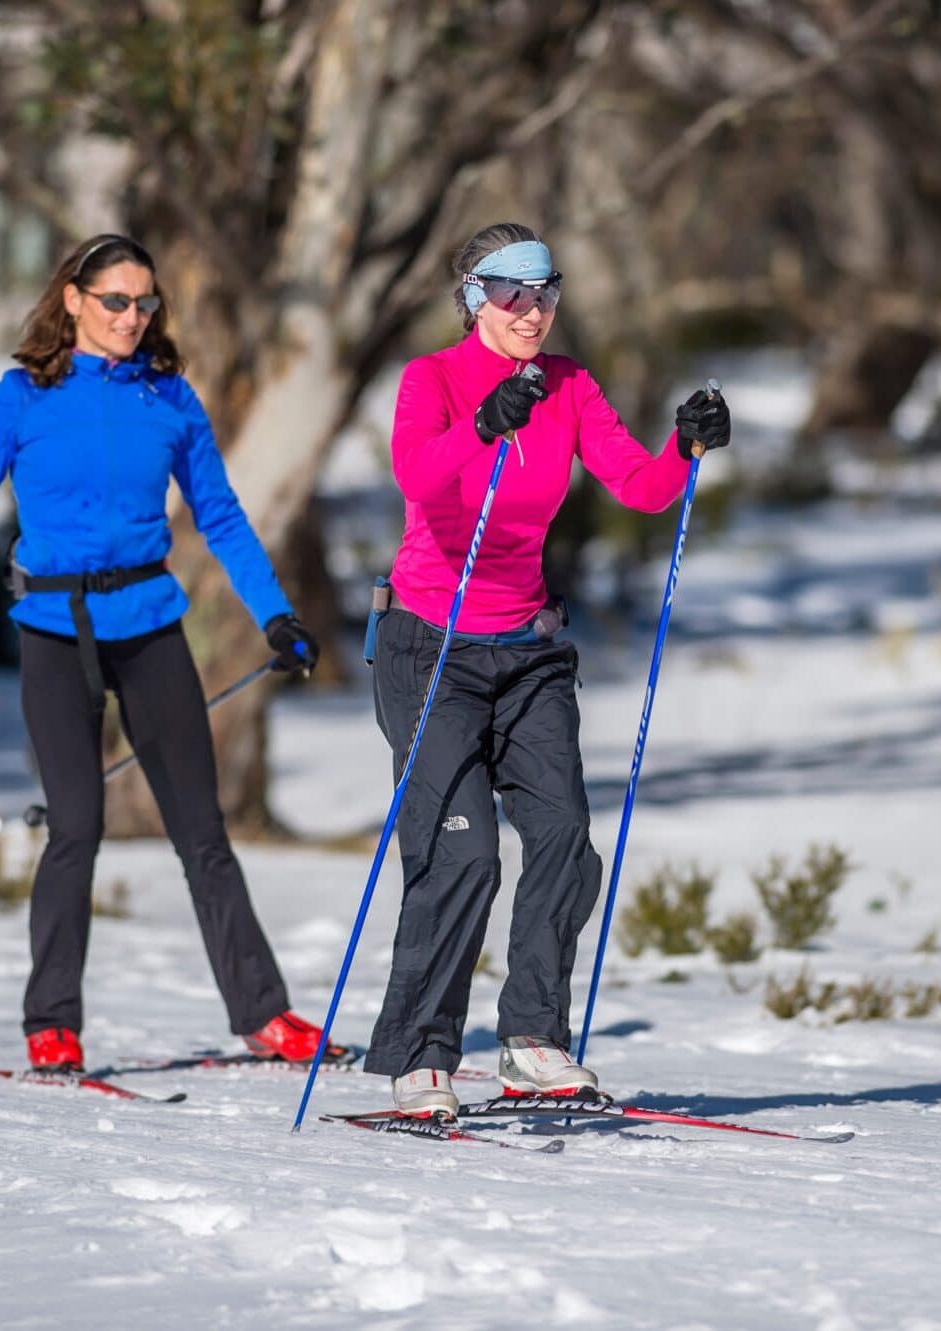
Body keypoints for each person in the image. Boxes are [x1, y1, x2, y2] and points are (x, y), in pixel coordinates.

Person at [0, 233, 340, 1074]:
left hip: (150, 626)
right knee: (76, 825)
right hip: (55, 635)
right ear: (73, 301)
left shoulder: (169, 399)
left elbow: (223, 517)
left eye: (145, 303)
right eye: (115, 302)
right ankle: (51, 1020)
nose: (133, 317)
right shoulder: (20, 398)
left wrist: (277, 616)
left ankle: (266, 1014)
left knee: (203, 832)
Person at [364, 222, 730, 1115]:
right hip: (431, 648)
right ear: (472, 298)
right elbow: (417, 477)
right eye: (510, 293)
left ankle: (531, 1037)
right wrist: (482, 429)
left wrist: (685, 449)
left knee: (565, 837)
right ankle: (422, 1054)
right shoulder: (433, 380)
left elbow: (639, 486)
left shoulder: (567, 385)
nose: (531, 310)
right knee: (464, 858)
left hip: (527, 652)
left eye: (544, 291)